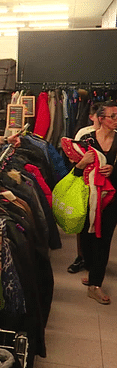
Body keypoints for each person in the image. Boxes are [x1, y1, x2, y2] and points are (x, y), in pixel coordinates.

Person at [69, 101, 117, 305]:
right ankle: (91, 269)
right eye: (112, 116)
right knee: (88, 238)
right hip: (88, 197)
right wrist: (83, 162)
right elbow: (75, 172)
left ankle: (95, 284)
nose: (116, 119)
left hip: (112, 198)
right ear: (100, 118)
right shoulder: (87, 140)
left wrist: (114, 171)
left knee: (104, 239)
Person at [68, 103, 103, 274]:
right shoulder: (84, 134)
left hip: (104, 186)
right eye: (100, 117)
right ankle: (81, 256)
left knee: (101, 225)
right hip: (85, 184)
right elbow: (73, 158)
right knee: (82, 223)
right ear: (92, 117)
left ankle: (96, 260)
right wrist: (84, 162)